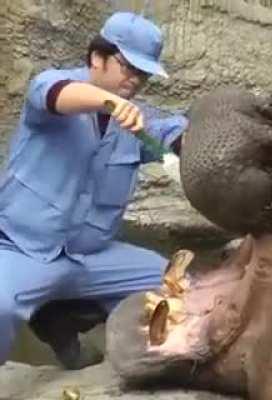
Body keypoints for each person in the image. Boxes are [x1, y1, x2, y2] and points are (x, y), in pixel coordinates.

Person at [0, 11, 188, 369]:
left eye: (143, 73)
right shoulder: (52, 86)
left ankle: (64, 318)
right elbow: (55, 94)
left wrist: (193, 136)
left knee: (178, 285)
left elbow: (171, 136)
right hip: (22, 249)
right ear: (97, 57)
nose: (135, 79)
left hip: (90, 259)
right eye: (128, 66)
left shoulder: (136, 120)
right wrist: (111, 103)